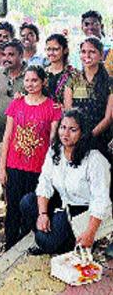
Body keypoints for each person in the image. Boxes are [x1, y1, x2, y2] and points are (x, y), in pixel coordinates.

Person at [20, 109, 111, 254]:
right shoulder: (55, 151)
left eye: (72, 129)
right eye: (63, 127)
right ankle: (55, 240)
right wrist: (42, 214)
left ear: (83, 132)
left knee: (47, 241)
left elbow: (101, 200)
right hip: (63, 205)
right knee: (27, 202)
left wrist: (90, 233)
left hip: (84, 212)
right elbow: (44, 182)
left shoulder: (95, 159)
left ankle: (64, 242)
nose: (65, 134)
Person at [0, 65, 62, 250]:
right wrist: (2, 168)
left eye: (34, 80)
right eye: (27, 80)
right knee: (13, 209)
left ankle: (28, 244)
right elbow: (7, 137)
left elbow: (53, 142)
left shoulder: (52, 107)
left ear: (43, 82)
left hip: (39, 168)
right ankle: (10, 245)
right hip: (14, 165)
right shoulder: (16, 104)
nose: (30, 84)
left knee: (30, 208)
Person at [64, 37, 113, 159]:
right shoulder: (72, 80)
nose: (87, 55)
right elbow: (68, 112)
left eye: (92, 51)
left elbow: (108, 118)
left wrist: (89, 137)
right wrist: (76, 135)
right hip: (74, 138)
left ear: (101, 56)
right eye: (83, 51)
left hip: (100, 138)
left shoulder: (109, 82)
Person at [0, 39, 27, 188]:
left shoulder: (31, 74)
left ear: (21, 55)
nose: (6, 58)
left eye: (11, 55)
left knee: (19, 176)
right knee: (3, 176)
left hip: (22, 136)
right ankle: (7, 205)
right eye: (4, 54)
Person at [44, 34, 78, 105]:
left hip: (66, 114)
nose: (51, 53)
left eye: (56, 49)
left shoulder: (73, 74)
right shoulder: (41, 73)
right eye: (48, 49)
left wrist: (64, 107)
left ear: (65, 50)